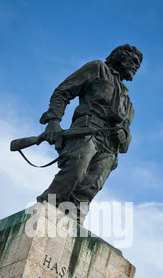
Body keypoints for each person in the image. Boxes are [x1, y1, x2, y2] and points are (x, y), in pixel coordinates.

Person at [36, 44, 143, 223]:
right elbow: (63, 92)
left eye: (137, 66)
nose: (135, 67)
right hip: (88, 132)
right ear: (119, 57)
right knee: (74, 172)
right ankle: (45, 212)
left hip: (109, 148)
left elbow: (126, 140)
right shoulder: (98, 69)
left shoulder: (128, 103)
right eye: (133, 61)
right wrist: (53, 121)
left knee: (90, 188)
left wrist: (125, 138)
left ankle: (73, 224)